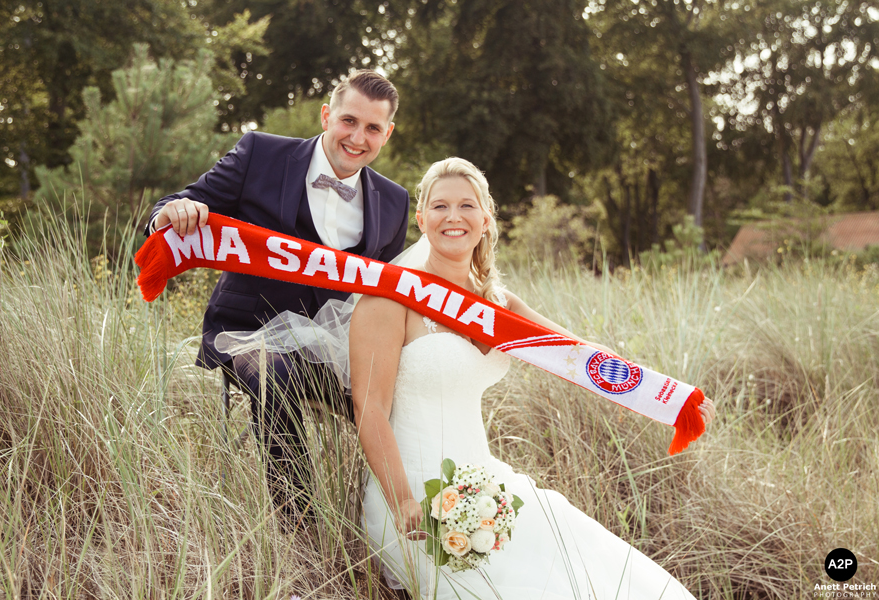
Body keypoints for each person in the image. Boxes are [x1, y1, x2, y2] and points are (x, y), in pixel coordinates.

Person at [350, 157, 717, 599]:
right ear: (421, 218)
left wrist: (671, 399)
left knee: (597, 571)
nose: (453, 217)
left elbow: (578, 355)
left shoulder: (498, 304)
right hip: (412, 497)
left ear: (486, 218)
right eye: (440, 206)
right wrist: (403, 500)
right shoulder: (389, 300)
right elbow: (369, 407)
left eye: (466, 206)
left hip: (489, 488)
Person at [144, 70, 410, 513]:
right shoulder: (260, 154)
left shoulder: (395, 200)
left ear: (387, 133)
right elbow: (172, 206)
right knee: (275, 374)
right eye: (348, 121)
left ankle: (403, 516)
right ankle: (299, 525)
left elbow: (385, 297)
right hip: (249, 333)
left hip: (337, 348)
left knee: (409, 397)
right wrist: (173, 212)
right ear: (326, 116)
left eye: (372, 128)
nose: (357, 137)